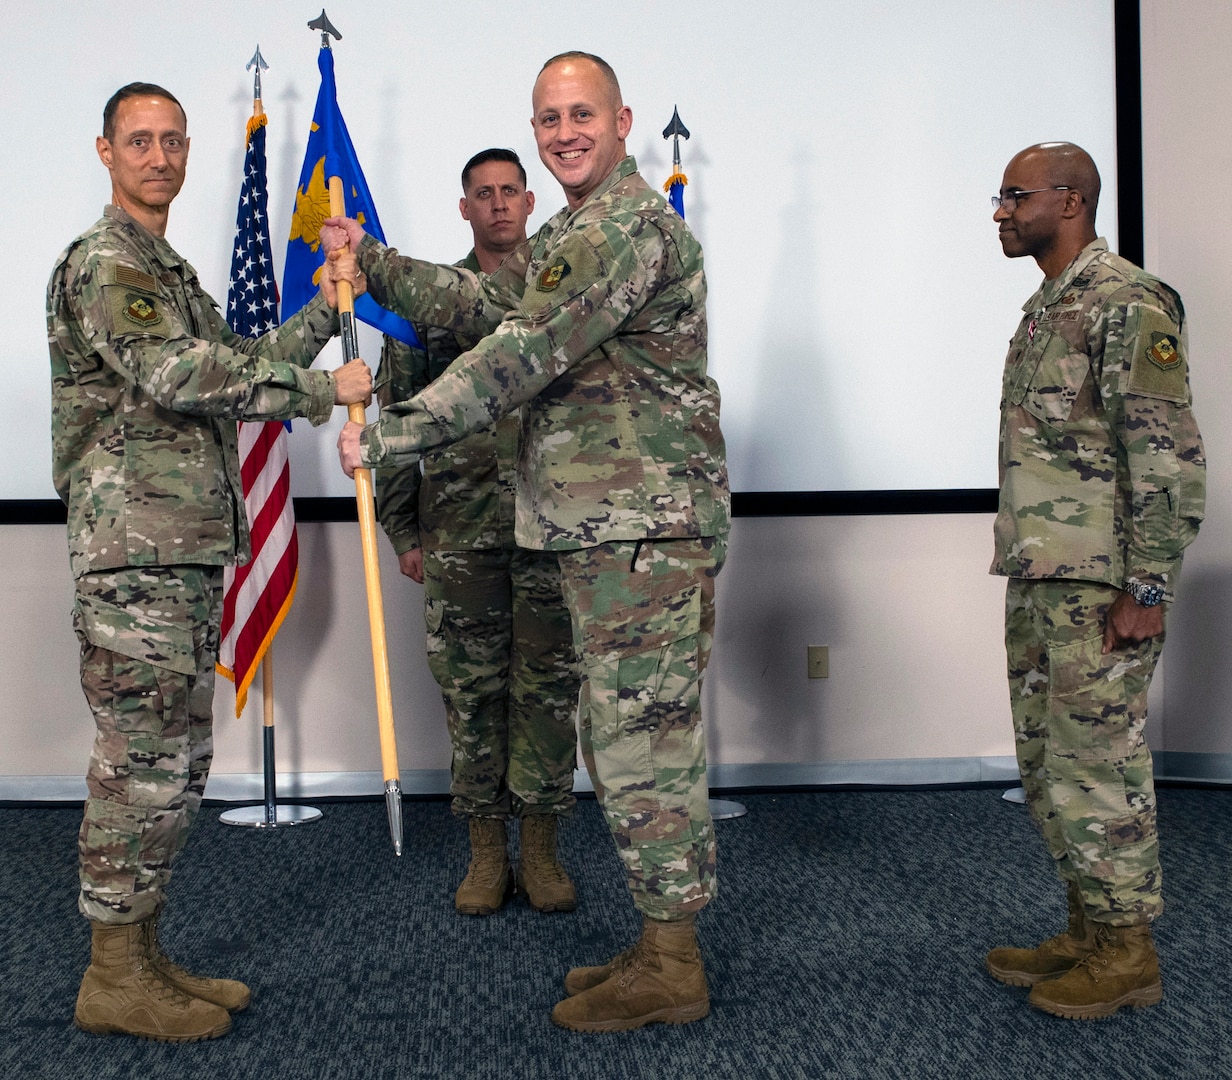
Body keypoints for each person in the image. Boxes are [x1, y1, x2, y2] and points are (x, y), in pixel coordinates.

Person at [325, 51, 729, 1031]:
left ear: (622, 119)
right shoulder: (573, 232)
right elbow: (493, 306)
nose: (562, 133)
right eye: (547, 118)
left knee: (642, 753)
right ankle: (656, 942)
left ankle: (672, 966)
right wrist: (375, 265)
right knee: (623, 742)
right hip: (605, 533)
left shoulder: (626, 228)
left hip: (638, 530)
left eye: (579, 114)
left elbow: (517, 353)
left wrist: (387, 434)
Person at [48, 82, 371, 1043]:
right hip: (133, 558)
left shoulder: (172, 271)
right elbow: (180, 375)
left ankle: (142, 958)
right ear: (104, 151)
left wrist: (320, 312)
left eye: (172, 140)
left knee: (176, 765)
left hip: (180, 553)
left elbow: (239, 358)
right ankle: (111, 976)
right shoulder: (108, 265)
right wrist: (321, 391)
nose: (158, 156)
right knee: (138, 766)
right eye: (138, 140)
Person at [984, 142, 1205, 1019]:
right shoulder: (1048, 307)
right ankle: (1086, 924)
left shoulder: (1127, 301)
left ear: (1069, 200)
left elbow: (1168, 458)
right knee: (1048, 767)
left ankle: (1128, 954)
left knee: (1098, 767)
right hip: (1045, 577)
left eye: (1014, 195)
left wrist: (1147, 588)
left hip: (1103, 588)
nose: (999, 211)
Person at [374, 148, 580, 917]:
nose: (497, 205)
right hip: (460, 529)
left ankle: (543, 850)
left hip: (554, 525)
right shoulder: (432, 306)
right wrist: (402, 529)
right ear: (464, 208)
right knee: (472, 692)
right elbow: (397, 415)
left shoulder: (565, 296)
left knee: (548, 688)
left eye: (509, 192)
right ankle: (486, 853)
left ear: (530, 202)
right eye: (482, 194)